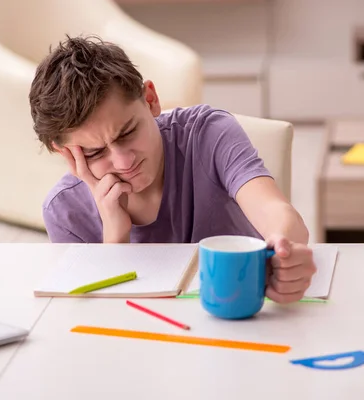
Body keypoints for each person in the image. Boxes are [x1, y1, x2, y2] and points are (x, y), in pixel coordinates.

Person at [28, 35, 316, 304]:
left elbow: (273, 210)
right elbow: (103, 322)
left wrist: (283, 248)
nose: (123, 162)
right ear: (65, 152)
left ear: (151, 99)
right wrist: (115, 233)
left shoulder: (207, 133)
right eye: (95, 152)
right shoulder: (65, 211)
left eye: (127, 132)